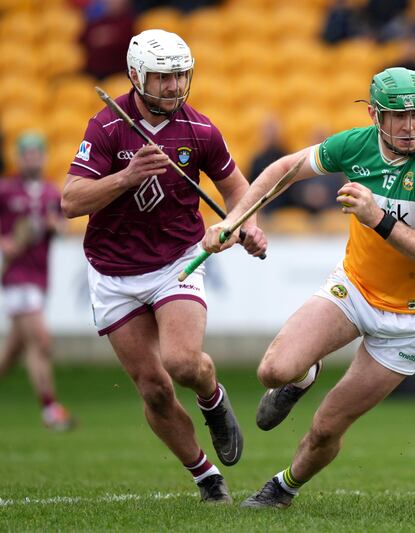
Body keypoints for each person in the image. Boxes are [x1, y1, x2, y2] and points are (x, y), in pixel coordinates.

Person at [201, 67, 415, 508]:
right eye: (398, 117)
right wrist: (235, 220)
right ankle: (305, 374)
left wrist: (377, 218)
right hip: (355, 288)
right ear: (375, 116)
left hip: (414, 321)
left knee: (326, 428)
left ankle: (282, 487)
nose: (410, 126)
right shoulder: (355, 145)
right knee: (273, 372)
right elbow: (284, 168)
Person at [61, 29, 267, 503]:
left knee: (180, 361)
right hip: (112, 273)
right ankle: (205, 475)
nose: (174, 87)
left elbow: (239, 190)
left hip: (177, 260)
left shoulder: (200, 130)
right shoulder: (107, 127)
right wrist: (126, 176)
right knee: (153, 388)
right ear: (137, 75)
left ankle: (213, 399)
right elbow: (70, 202)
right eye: (163, 77)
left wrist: (243, 225)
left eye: (180, 76)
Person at [0, 132, 74, 431]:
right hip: (15, 275)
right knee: (41, 340)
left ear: (43, 157)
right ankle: (50, 409)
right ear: (19, 158)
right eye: (26, 154)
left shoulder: (50, 193)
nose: (32, 159)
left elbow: (65, 229)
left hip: (40, 276)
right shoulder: (6, 190)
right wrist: (4, 242)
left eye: (36, 153)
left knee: (14, 349)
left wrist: (55, 226)